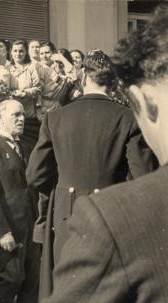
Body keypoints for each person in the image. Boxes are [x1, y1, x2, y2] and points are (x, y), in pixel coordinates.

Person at [44, 6, 168, 301]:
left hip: (69, 213)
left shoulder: (114, 218)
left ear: (145, 106)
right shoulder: (123, 117)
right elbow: (139, 170)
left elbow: (37, 174)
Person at [26, 50, 155, 300]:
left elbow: (35, 175)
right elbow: (143, 177)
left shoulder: (55, 118)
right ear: (114, 82)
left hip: (65, 213)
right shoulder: (128, 118)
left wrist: (64, 187)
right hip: (111, 213)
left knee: (66, 287)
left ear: (83, 77)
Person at [0, 100, 40, 303]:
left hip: (30, 226)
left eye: (23, 115)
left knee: (32, 284)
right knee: (10, 279)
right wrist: (2, 232)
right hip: (8, 229)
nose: (21, 119)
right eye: (16, 115)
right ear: (0, 117)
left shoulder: (27, 148)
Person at [8, 40, 42, 152]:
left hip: (28, 115)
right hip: (11, 116)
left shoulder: (31, 67)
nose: (18, 54)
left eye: (21, 51)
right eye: (15, 51)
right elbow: (3, 89)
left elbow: (38, 88)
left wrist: (25, 93)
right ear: (11, 52)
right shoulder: (7, 68)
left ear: (26, 52)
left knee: (30, 149)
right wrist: (12, 94)